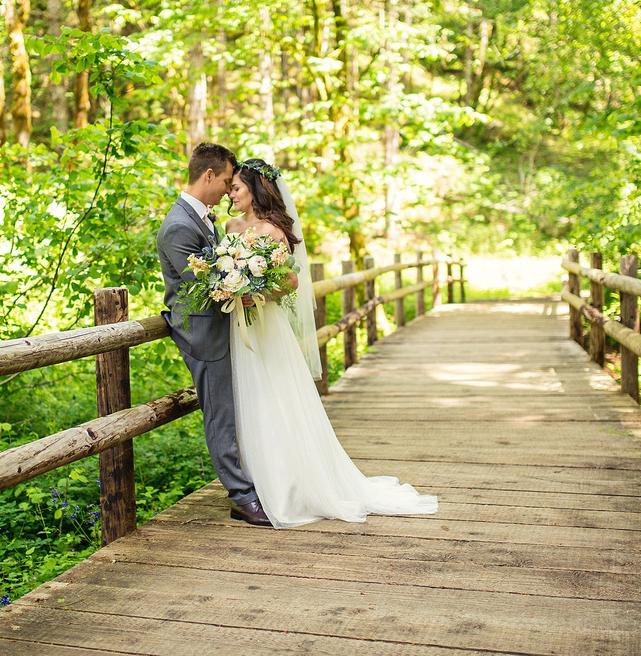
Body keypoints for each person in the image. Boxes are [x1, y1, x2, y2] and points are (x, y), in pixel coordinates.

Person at [223, 158, 438, 528]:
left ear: (255, 189)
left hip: (265, 326)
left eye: (237, 188)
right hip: (238, 328)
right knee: (250, 399)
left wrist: (255, 292)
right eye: (229, 188)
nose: (231, 194)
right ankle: (254, 483)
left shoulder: (274, 231)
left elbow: (289, 282)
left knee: (277, 399)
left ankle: (289, 485)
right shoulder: (229, 227)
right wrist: (228, 286)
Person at [156, 143, 272, 526]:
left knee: (237, 410)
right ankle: (242, 497)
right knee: (221, 415)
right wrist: (248, 279)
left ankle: (255, 483)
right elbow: (206, 283)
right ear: (208, 175)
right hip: (202, 334)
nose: (227, 189)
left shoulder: (201, 217)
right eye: (225, 180)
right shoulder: (177, 225)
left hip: (224, 326)